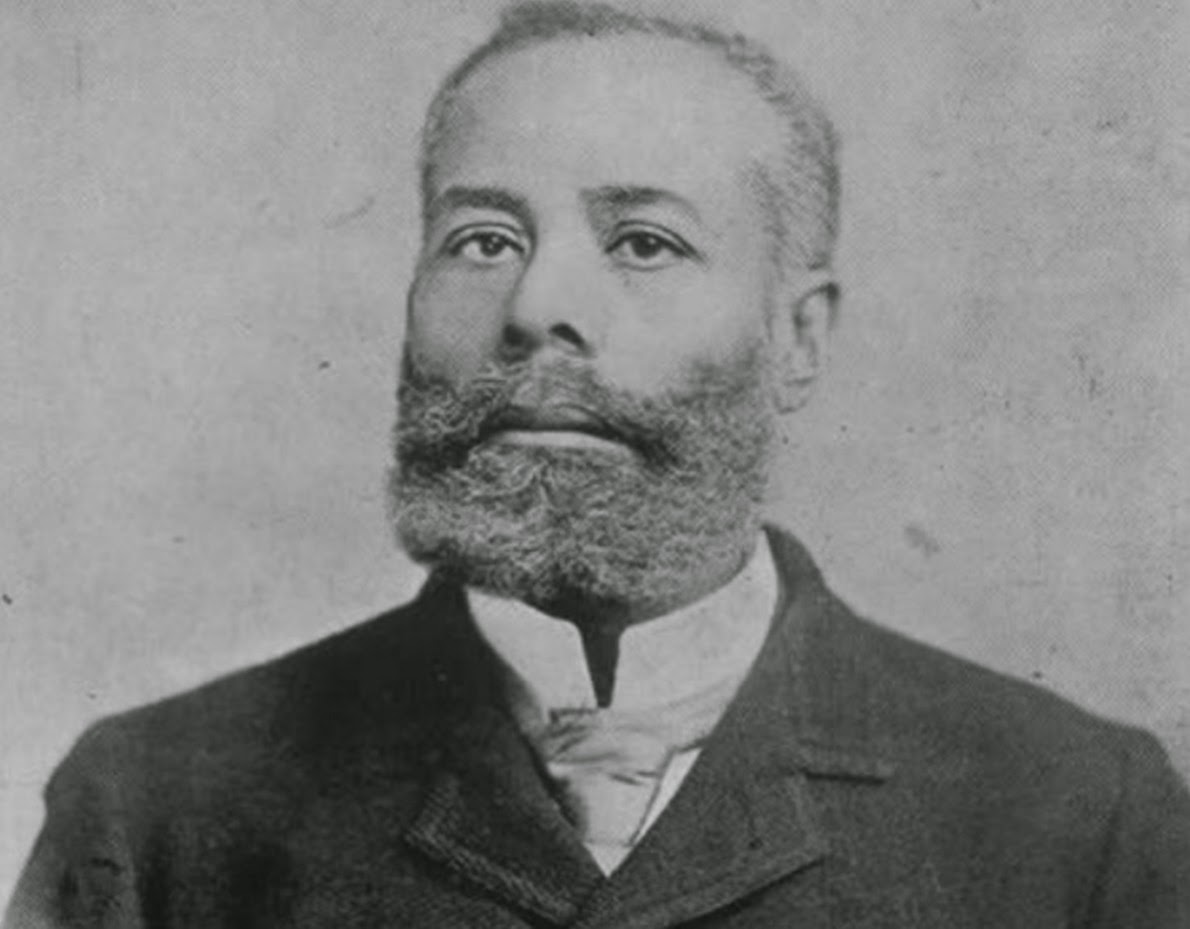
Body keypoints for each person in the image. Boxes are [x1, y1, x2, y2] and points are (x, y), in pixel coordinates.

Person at [7, 3, 1190, 926]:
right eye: (483, 239)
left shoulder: (1074, 812)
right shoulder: (155, 806)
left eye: (643, 241)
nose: (535, 306)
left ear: (797, 336)